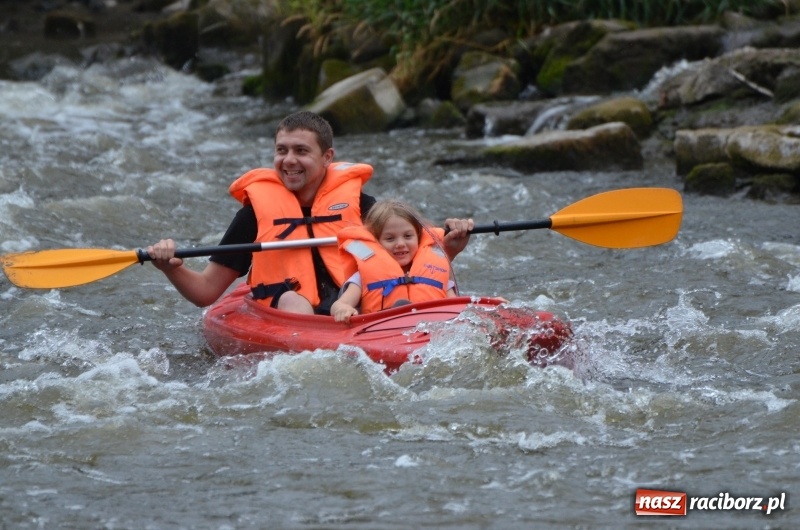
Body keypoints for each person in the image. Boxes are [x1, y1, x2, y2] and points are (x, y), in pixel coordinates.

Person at [147, 111, 474, 315]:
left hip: (352, 307)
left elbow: (407, 259)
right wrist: (171, 268)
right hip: (289, 312)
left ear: (327, 157)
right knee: (293, 301)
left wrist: (450, 246)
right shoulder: (253, 215)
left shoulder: (362, 207)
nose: (289, 160)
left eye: (301, 151)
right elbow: (206, 292)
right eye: (281, 150)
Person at [331, 200, 459, 323]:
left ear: (418, 237)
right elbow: (340, 304)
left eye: (408, 236)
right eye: (390, 238)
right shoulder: (362, 277)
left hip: (430, 330)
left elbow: (456, 309)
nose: (400, 244)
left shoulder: (436, 272)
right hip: (382, 331)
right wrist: (342, 309)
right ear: (376, 242)